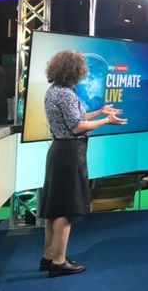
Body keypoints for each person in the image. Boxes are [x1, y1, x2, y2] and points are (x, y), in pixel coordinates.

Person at [39, 50, 127, 277]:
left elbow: (76, 119)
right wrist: (106, 121)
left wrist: (100, 111)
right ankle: (59, 262)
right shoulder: (67, 95)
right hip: (69, 155)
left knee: (54, 208)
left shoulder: (54, 91)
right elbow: (77, 127)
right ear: (74, 71)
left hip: (59, 152)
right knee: (65, 209)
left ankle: (49, 256)